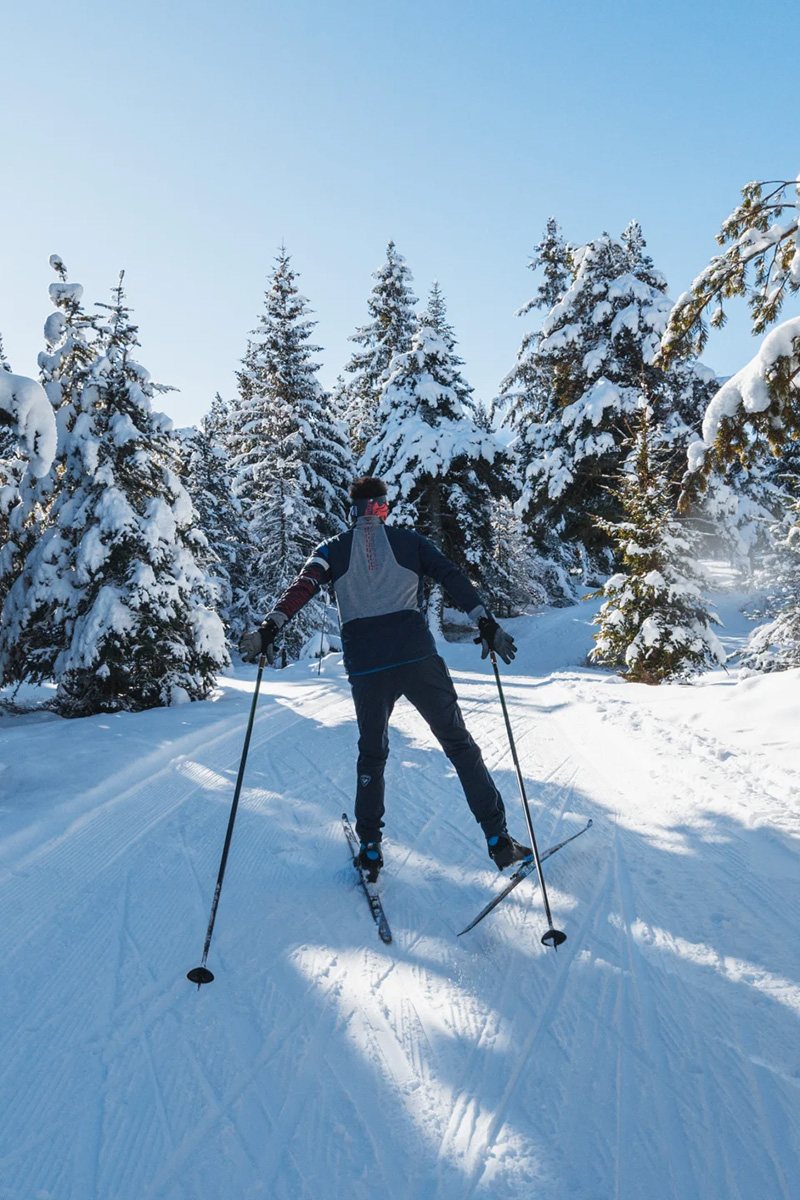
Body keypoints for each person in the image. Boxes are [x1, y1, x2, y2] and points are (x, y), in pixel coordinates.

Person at [239, 476, 531, 882]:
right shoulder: (411, 542)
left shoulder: (330, 549)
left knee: (373, 754)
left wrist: (269, 628)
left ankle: (371, 849)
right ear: (382, 508)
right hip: (417, 657)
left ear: (353, 511)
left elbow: (303, 587)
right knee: (459, 745)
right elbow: (451, 576)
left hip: (367, 665)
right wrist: (484, 621)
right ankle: (498, 840)